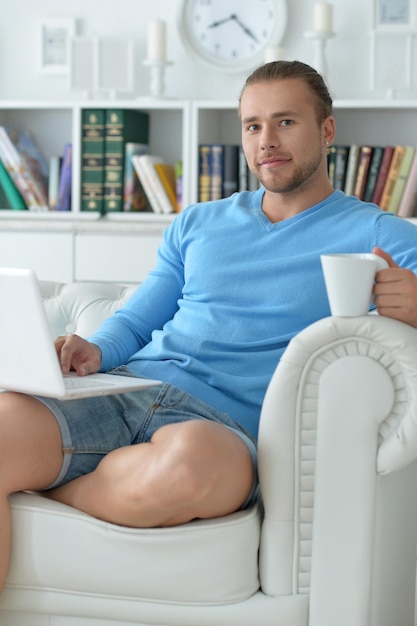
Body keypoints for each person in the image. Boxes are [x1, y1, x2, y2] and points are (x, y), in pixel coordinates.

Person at [1, 59, 417, 593]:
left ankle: (43, 487)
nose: (267, 140)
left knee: (188, 469)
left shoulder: (377, 231)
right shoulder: (197, 222)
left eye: (286, 122)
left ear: (327, 130)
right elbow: (135, 319)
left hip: (223, 428)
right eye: (253, 125)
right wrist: (94, 351)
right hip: (130, 388)